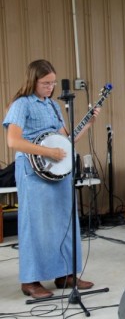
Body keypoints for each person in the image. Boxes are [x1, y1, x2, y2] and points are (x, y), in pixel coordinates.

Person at [2, 59, 97, 299]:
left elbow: (66, 139)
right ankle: (31, 280)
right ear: (33, 80)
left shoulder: (53, 106)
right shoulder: (21, 104)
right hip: (32, 170)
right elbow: (13, 141)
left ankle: (65, 274)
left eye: (53, 83)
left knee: (65, 221)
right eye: (45, 83)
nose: (50, 87)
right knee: (35, 224)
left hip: (57, 169)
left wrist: (87, 123)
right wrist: (48, 152)